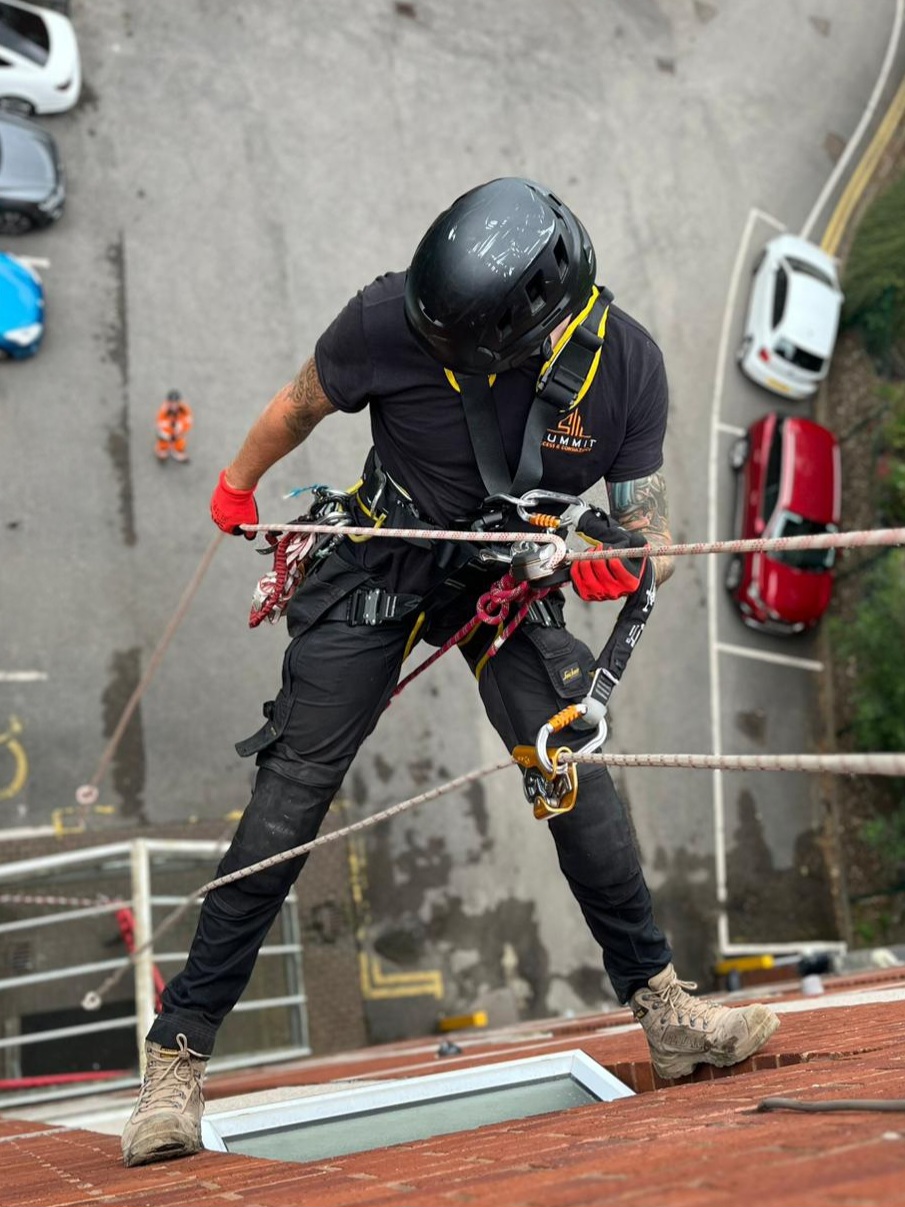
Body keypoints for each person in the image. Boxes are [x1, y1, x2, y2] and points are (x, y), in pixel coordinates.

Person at [121, 178, 779, 1167]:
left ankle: (665, 1014)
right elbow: (299, 404)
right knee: (287, 803)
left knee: (572, 775)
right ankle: (175, 1059)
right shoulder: (391, 315)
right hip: (383, 557)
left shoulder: (625, 367)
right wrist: (236, 482)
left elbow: (645, 525)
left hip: (506, 582)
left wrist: (623, 559)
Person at [155, 389, 193, 463]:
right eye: (171, 402)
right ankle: (163, 449)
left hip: (179, 432)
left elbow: (189, 421)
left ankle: (178, 450)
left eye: (176, 402)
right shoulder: (163, 410)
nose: (173, 405)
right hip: (166, 433)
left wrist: (181, 427)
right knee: (163, 440)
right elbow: (160, 423)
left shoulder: (185, 410)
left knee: (179, 442)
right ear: (168, 402)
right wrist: (168, 432)